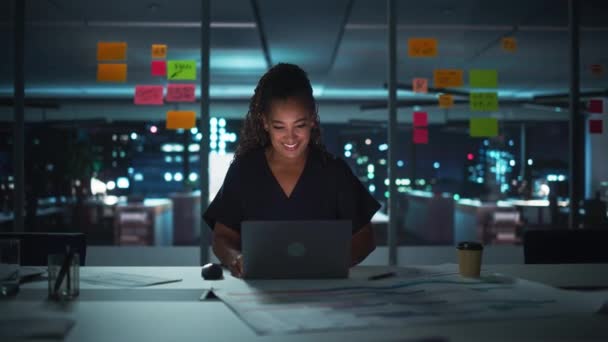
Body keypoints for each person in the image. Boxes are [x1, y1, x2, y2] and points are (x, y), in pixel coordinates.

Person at [203, 63, 380, 278]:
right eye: (279, 127)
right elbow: (222, 238)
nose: (290, 137)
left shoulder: (333, 171)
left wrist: (330, 263)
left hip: (325, 293)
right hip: (259, 291)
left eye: (300, 125)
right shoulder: (245, 171)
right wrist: (235, 258)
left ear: (312, 119)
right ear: (265, 123)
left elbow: (365, 237)